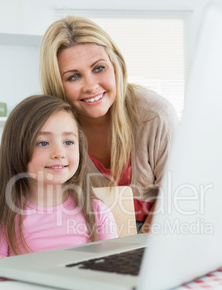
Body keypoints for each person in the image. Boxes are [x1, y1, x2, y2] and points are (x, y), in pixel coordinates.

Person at [40, 16, 180, 233]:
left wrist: (139, 248)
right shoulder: (49, 130)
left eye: (98, 68)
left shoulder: (155, 115)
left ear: (116, 65)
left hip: (158, 229)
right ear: (57, 84)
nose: (91, 86)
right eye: (74, 77)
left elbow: (174, 194)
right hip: (87, 232)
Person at [0, 95, 117, 258]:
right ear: (16, 148)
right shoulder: (5, 217)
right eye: (43, 143)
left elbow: (110, 273)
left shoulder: (97, 212)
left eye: (68, 142)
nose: (59, 153)